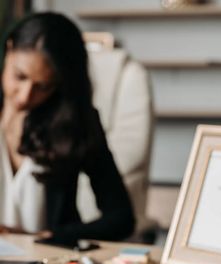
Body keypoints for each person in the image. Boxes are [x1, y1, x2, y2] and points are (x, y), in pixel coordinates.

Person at [0, 12, 135, 244]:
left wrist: (53, 236)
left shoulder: (74, 123)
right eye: (19, 76)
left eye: (42, 86)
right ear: (9, 49)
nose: (24, 97)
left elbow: (121, 218)